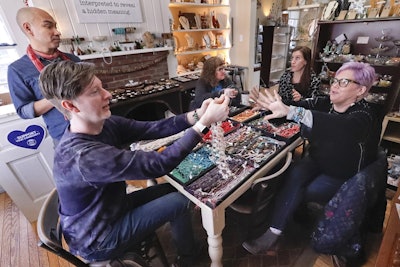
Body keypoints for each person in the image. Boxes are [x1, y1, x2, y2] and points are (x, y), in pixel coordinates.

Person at [38, 60, 230, 266]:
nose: (107, 94)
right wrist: (203, 125)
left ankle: (187, 252)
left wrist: (197, 115)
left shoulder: (104, 124)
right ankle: (188, 258)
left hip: (111, 210)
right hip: (98, 238)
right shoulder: (84, 157)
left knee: (172, 192)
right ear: (70, 105)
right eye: (95, 92)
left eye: (102, 87)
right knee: (181, 202)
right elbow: (159, 164)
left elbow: (151, 129)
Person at [242, 62, 380, 263]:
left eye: (343, 82)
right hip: (318, 160)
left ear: (360, 90)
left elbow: (340, 127)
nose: (334, 85)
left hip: (343, 172)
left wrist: (291, 112)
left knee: (307, 190)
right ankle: (274, 232)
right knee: (293, 175)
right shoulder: (326, 103)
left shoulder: (365, 115)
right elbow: (299, 107)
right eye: (335, 80)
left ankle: (295, 214)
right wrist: (274, 107)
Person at [7, 7, 81, 144]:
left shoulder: (74, 60)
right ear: (28, 29)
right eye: (48, 26)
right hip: (66, 139)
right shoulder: (17, 70)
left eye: (56, 27)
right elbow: (24, 111)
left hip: (97, 127)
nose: (57, 32)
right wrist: (57, 96)